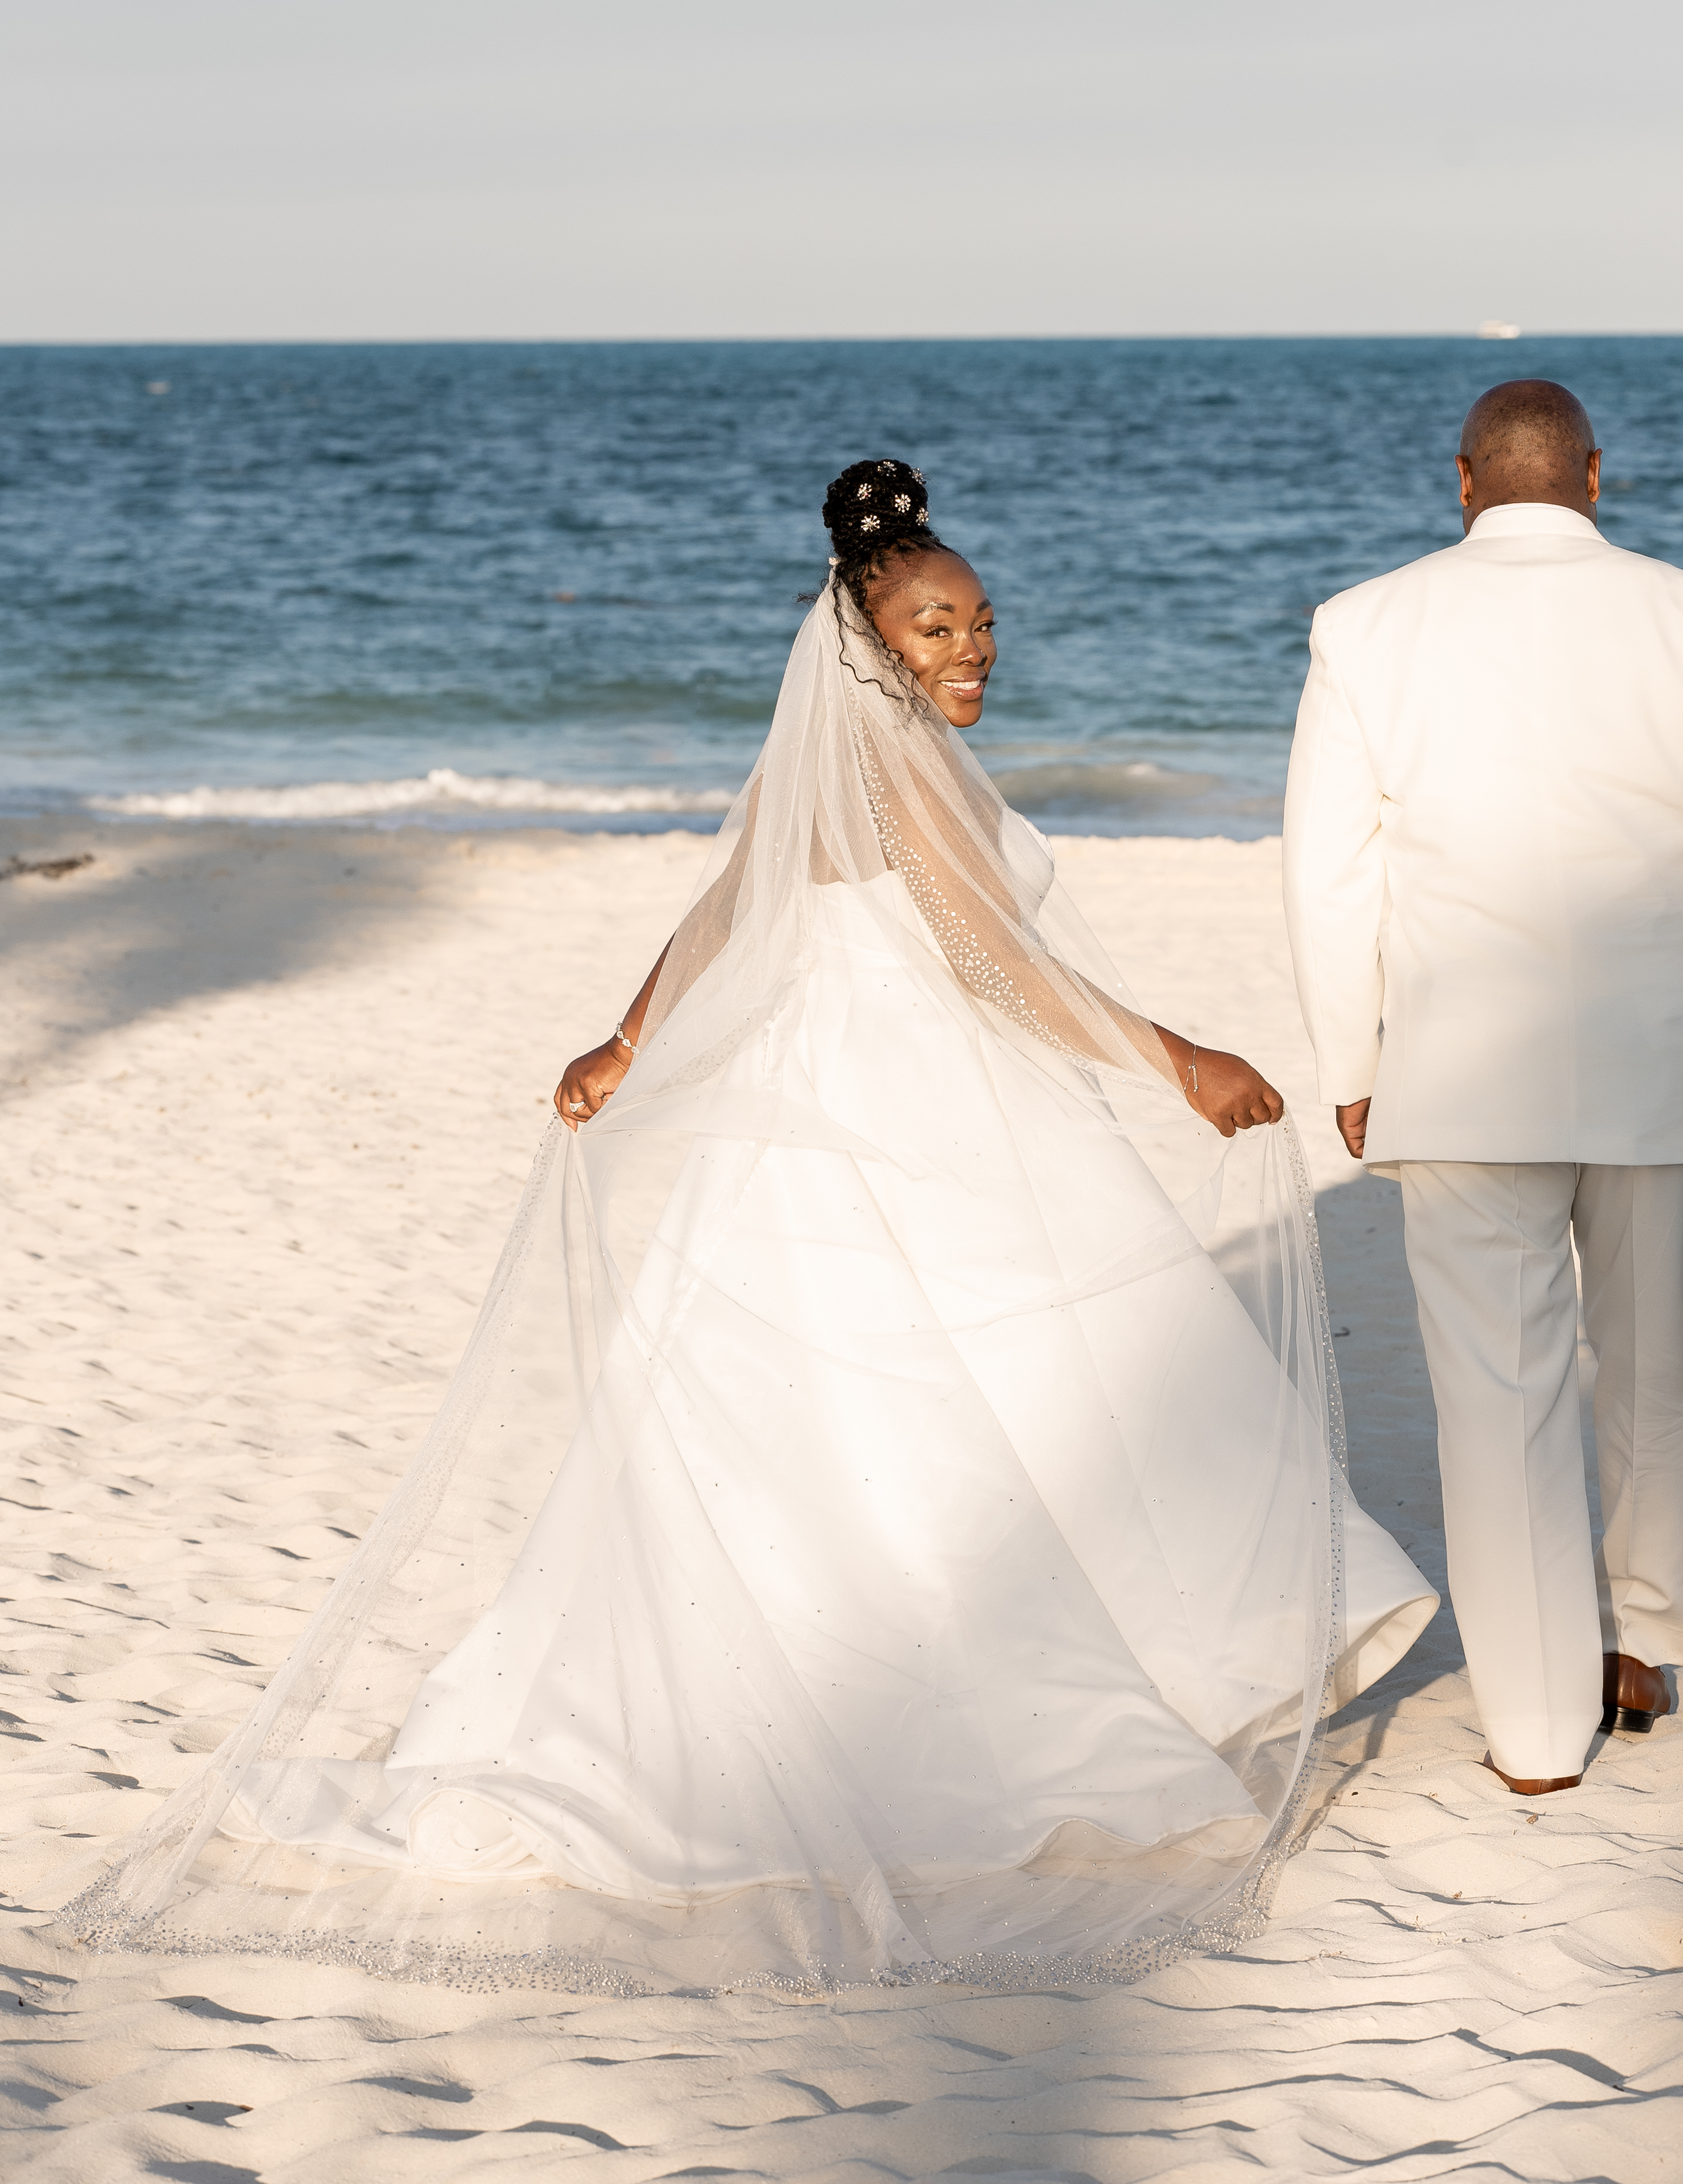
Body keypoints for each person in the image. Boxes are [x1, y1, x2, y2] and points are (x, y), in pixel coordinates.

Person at [64, 460, 1433, 1994]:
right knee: (1021, 1381)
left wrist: (627, 1041)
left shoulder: (847, 752)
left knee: (919, 1400)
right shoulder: (893, 765)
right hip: (898, 1112)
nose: (971, 646)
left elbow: (729, 907)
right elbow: (974, 964)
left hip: (853, 1097)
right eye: (933, 626)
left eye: (979, 619)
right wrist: (1174, 1055)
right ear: (866, 638)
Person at [1280, 382, 1683, 1797]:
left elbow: (1327, 871)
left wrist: (1351, 1059)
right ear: (1595, 475)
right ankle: (1642, 1645)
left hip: (1460, 1074)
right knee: (1655, 1367)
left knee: (1496, 1400)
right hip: (1660, 1064)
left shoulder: (1363, 626)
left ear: (1461, 482)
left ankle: (1535, 1734)